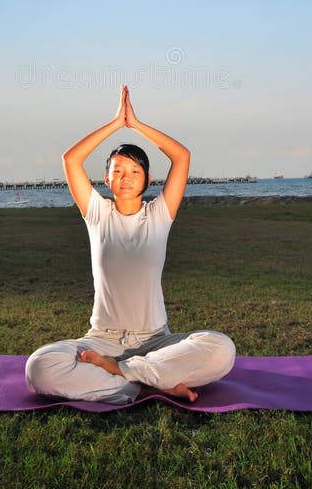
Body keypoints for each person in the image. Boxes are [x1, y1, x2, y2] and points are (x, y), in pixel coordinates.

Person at [25, 86, 236, 404]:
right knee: (39, 367)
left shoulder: (159, 213)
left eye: (135, 171)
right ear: (106, 180)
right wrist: (115, 122)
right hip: (102, 341)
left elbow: (181, 156)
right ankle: (147, 382)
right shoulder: (97, 213)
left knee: (222, 349)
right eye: (118, 171)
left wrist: (135, 124)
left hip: (156, 341)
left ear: (148, 180)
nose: (126, 176)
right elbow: (71, 159)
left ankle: (122, 373)